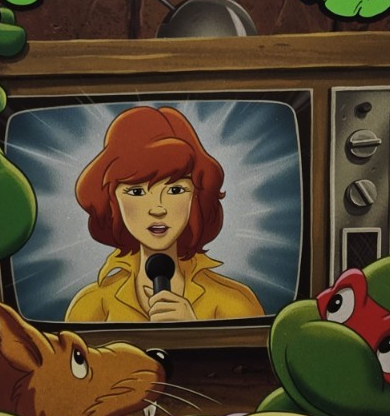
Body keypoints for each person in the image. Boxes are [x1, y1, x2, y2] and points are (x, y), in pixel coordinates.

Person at [65, 106, 264, 324]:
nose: (158, 209)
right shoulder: (93, 304)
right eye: (137, 192)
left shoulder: (234, 302)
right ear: (112, 201)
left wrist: (195, 330)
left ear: (196, 197)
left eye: (175, 190)